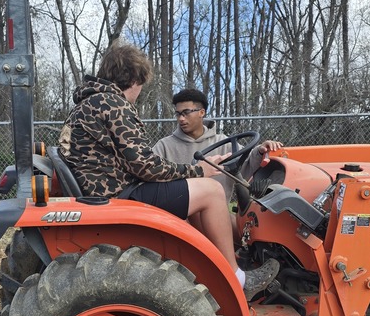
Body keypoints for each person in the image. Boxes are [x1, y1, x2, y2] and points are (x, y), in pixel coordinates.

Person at [59, 42, 278, 301]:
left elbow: (136, 162)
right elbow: (145, 165)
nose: (139, 92)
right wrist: (198, 170)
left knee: (197, 197)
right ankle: (237, 277)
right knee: (212, 191)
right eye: (140, 85)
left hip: (106, 189)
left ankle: (211, 271)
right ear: (132, 79)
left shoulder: (88, 103)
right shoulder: (113, 105)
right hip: (120, 193)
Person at [153, 88, 283, 200]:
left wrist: (260, 150)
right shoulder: (164, 146)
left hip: (218, 212)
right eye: (178, 114)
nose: (181, 118)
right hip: (179, 215)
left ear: (201, 112)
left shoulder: (223, 143)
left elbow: (246, 163)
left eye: (186, 113)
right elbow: (150, 171)